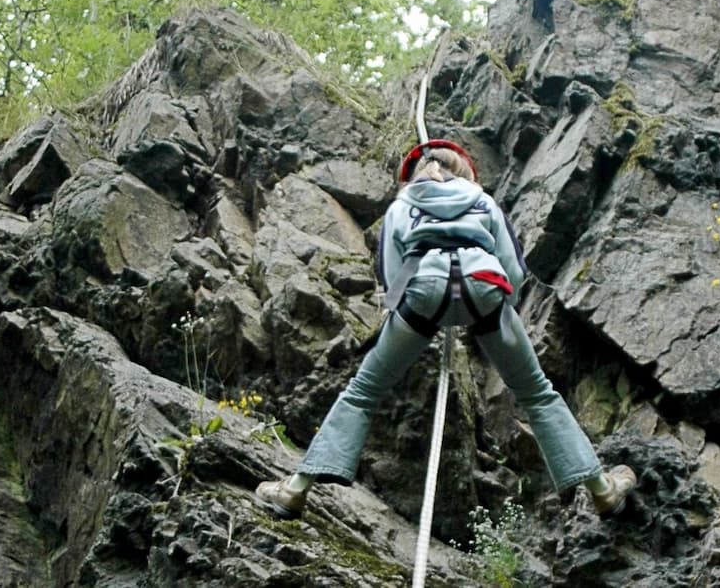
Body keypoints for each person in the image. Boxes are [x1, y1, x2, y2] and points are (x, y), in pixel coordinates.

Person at [255, 139, 636, 518]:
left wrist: (403, 313)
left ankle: (294, 490)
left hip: (424, 290)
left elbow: (390, 273)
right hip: (486, 287)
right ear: (464, 169)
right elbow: (515, 269)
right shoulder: (482, 200)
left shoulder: (402, 205)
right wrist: (499, 311)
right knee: (537, 393)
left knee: (362, 392)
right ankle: (602, 491)